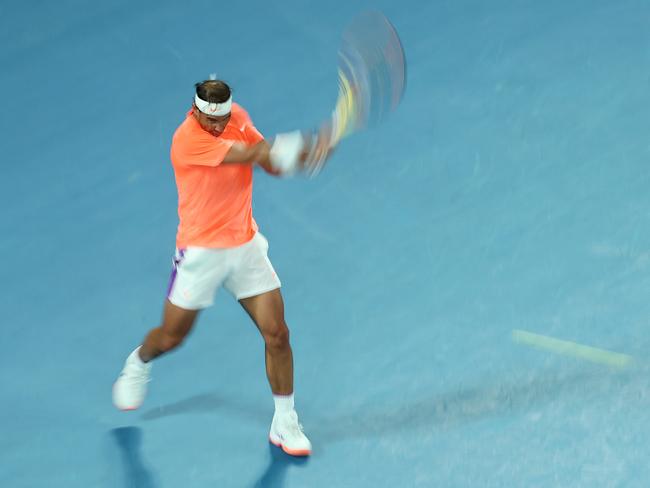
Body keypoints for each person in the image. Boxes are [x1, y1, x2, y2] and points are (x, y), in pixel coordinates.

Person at [112, 79, 332, 457]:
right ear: (195, 111)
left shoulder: (237, 118)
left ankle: (284, 420)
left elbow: (265, 159)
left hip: (244, 245)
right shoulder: (186, 140)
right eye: (209, 121)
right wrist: (305, 143)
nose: (216, 126)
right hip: (201, 253)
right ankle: (139, 361)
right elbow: (247, 154)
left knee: (277, 333)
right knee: (171, 337)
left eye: (222, 120)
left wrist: (302, 158)